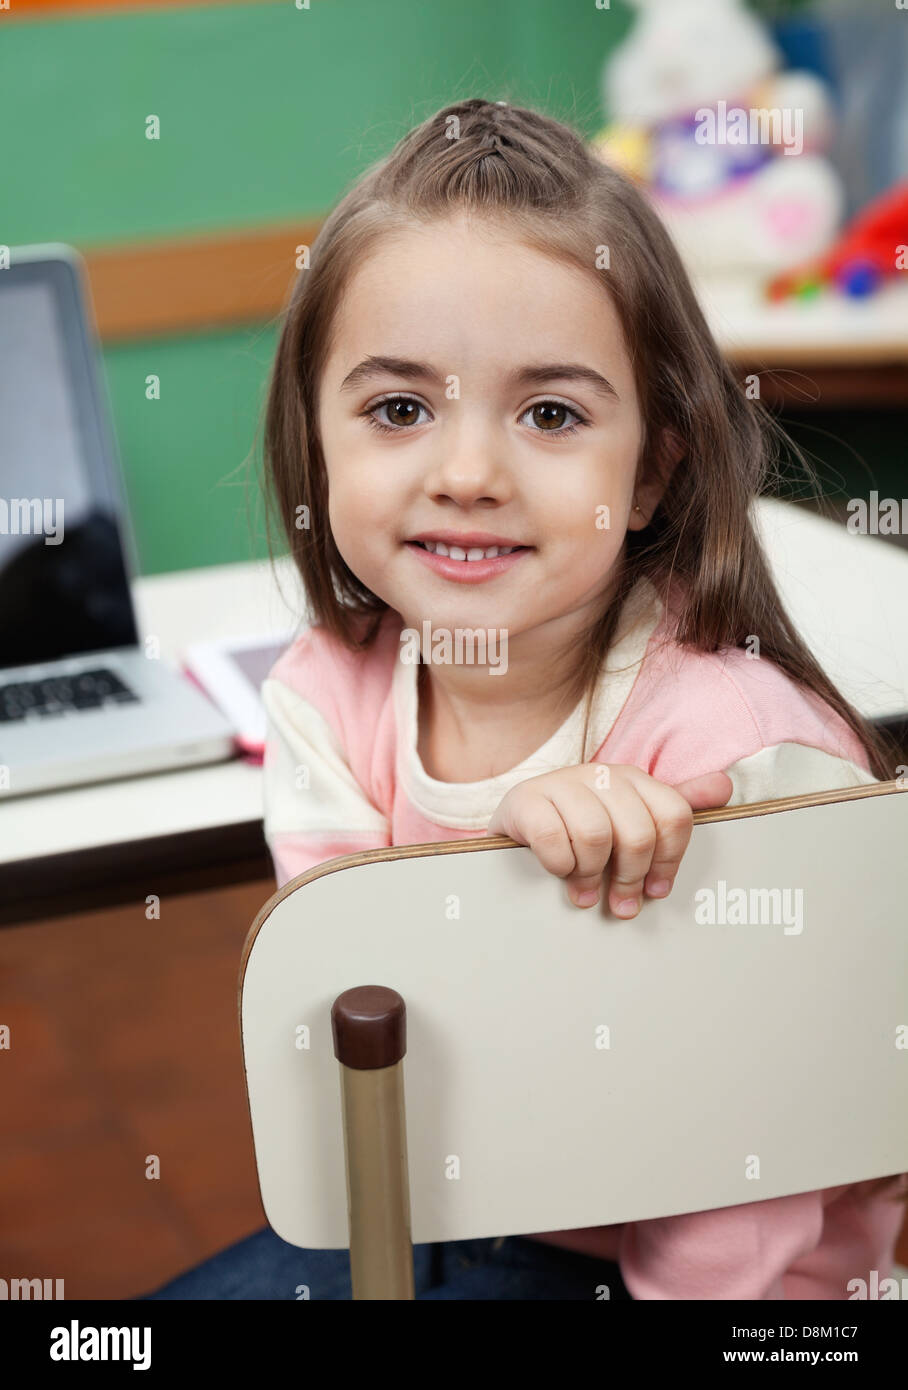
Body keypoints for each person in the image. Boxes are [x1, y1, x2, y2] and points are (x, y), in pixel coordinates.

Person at [143, 97, 906, 1300]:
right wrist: (496, 905)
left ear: (651, 468)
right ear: (320, 438)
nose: (465, 474)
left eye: (550, 413)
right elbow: (355, 1083)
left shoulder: (743, 752)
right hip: (444, 1207)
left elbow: (760, 1163)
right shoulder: (324, 698)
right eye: (398, 409)